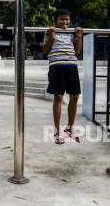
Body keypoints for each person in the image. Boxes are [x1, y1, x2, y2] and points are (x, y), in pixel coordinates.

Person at [42, 9, 83, 144]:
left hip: (71, 65)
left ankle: (69, 128)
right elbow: (45, 51)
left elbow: (77, 52)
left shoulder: (72, 32)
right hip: (56, 65)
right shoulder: (50, 31)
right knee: (58, 96)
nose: (65, 21)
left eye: (67, 19)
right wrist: (52, 36)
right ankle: (56, 131)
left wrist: (79, 37)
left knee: (75, 96)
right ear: (56, 20)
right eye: (62, 19)